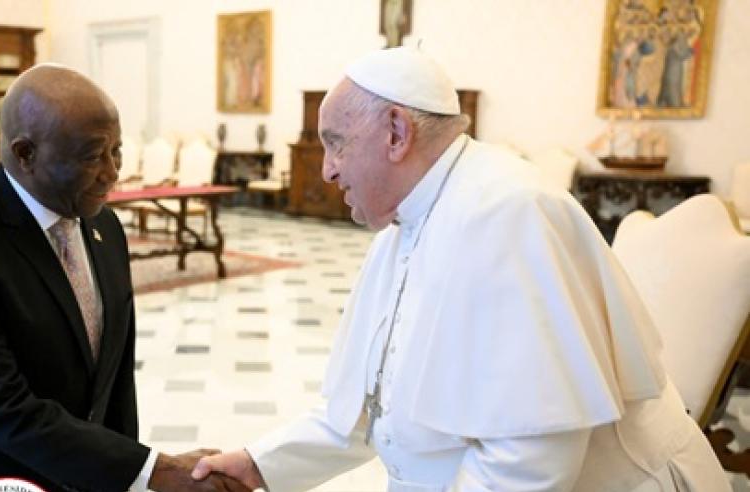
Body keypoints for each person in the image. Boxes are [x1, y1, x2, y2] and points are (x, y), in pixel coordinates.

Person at [191, 47, 730, 491]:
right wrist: (259, 463)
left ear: (396, 133)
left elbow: (532, 459)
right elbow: (366, 410)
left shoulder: (509, 213)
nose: (328, 169)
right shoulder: (404, 225)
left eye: (336, 145)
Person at [0, 64, 247, 492]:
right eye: (94, 156)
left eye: (117, 151)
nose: (112, 173)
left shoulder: (104, 227)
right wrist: (159, 472)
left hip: (66, 473)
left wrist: (127, 475)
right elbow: (2, 409)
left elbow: (113, 382)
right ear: (25, 154)